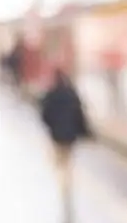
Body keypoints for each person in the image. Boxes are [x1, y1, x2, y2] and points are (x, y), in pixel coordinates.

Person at [38, 67, 92, 210]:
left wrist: (51, 127)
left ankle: (63, 183)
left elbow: (44, 115)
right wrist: (85, 132)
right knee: (67, 161)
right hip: (70, 136)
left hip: (56, 136)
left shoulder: (51, 95)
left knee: (59, 162)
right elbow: (80, 115)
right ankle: (67, 182)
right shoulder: (72, 94)